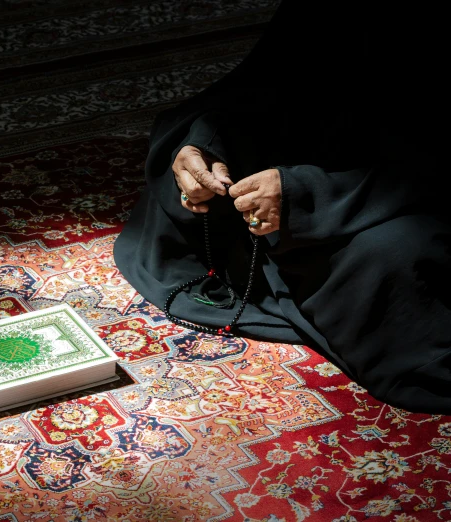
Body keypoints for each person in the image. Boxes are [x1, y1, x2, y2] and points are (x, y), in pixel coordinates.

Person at [113, 0, 451, 413]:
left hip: (407, 192)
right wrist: (205, 145)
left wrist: (307, 193)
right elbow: (269, 83)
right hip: (339, 158)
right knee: (187, 170)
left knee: (392, 254)